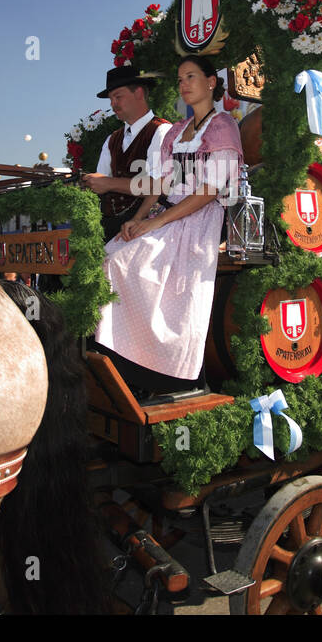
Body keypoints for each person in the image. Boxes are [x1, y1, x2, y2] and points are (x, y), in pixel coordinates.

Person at [93, 56, 242, 392]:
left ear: (211, 82)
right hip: (169, 212)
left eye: (191, 76)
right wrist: (136, 218)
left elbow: (208, 191)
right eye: (179, 79)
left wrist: (153, 223)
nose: (184, 84)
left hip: (198, 218)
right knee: (111, 252)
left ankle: (161, 372)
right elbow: (161, 184)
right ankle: (122, 361)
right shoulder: (177, 130)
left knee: (126, 263)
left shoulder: (222, 127)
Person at [81, 66, 171, 243]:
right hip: (110, 226)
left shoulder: (162, 131)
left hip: (147, 227)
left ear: (138, 93)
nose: (113, 104)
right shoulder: (112, 139)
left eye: (118, 97)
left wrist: (108, 183)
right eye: (111, 99)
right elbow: (100, 183)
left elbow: (160, 187)